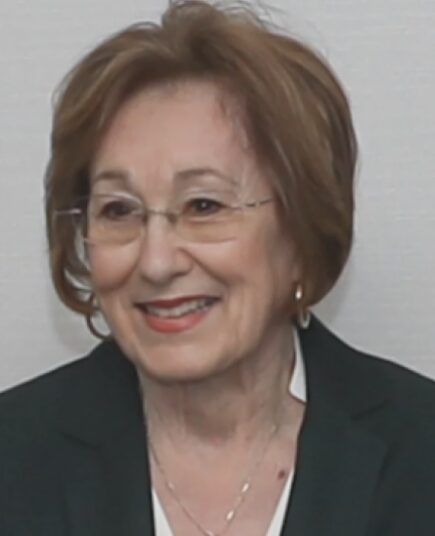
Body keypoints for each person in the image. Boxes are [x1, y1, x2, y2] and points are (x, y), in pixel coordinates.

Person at [1, 1, 435, 535]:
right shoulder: (14, 457)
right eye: (119, 210)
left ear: (302, 230)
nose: (156, 262)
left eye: (204, 206)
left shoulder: (420, 452)